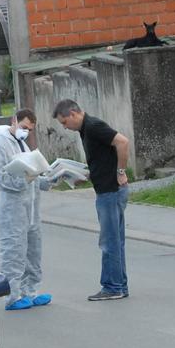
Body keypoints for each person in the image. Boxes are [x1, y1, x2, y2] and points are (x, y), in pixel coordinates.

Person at [52, 99, 130, 301]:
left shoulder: (93, 126)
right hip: (106, 190)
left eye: (64, 122)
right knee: (115, 240)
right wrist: (83, 176)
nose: (65, 127)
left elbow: (122, 142)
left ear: (73, 114)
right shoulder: (85, 130)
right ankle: (119, 285)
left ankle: (113, 287)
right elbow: (102, 158)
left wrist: (121, 172)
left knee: (109, 241)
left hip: (110, 191)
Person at [0, 109, 50, 311]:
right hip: (11, 210)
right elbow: (2, 178)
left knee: (32, 252)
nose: (26, 132)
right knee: (13, 253)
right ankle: (12, 297)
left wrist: (50, 179)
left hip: (30, 209)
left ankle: (31, 291)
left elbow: (31, 174)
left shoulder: (21, 144)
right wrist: (26, 179)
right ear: (13, 121)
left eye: (30, 129)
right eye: (23, 127)